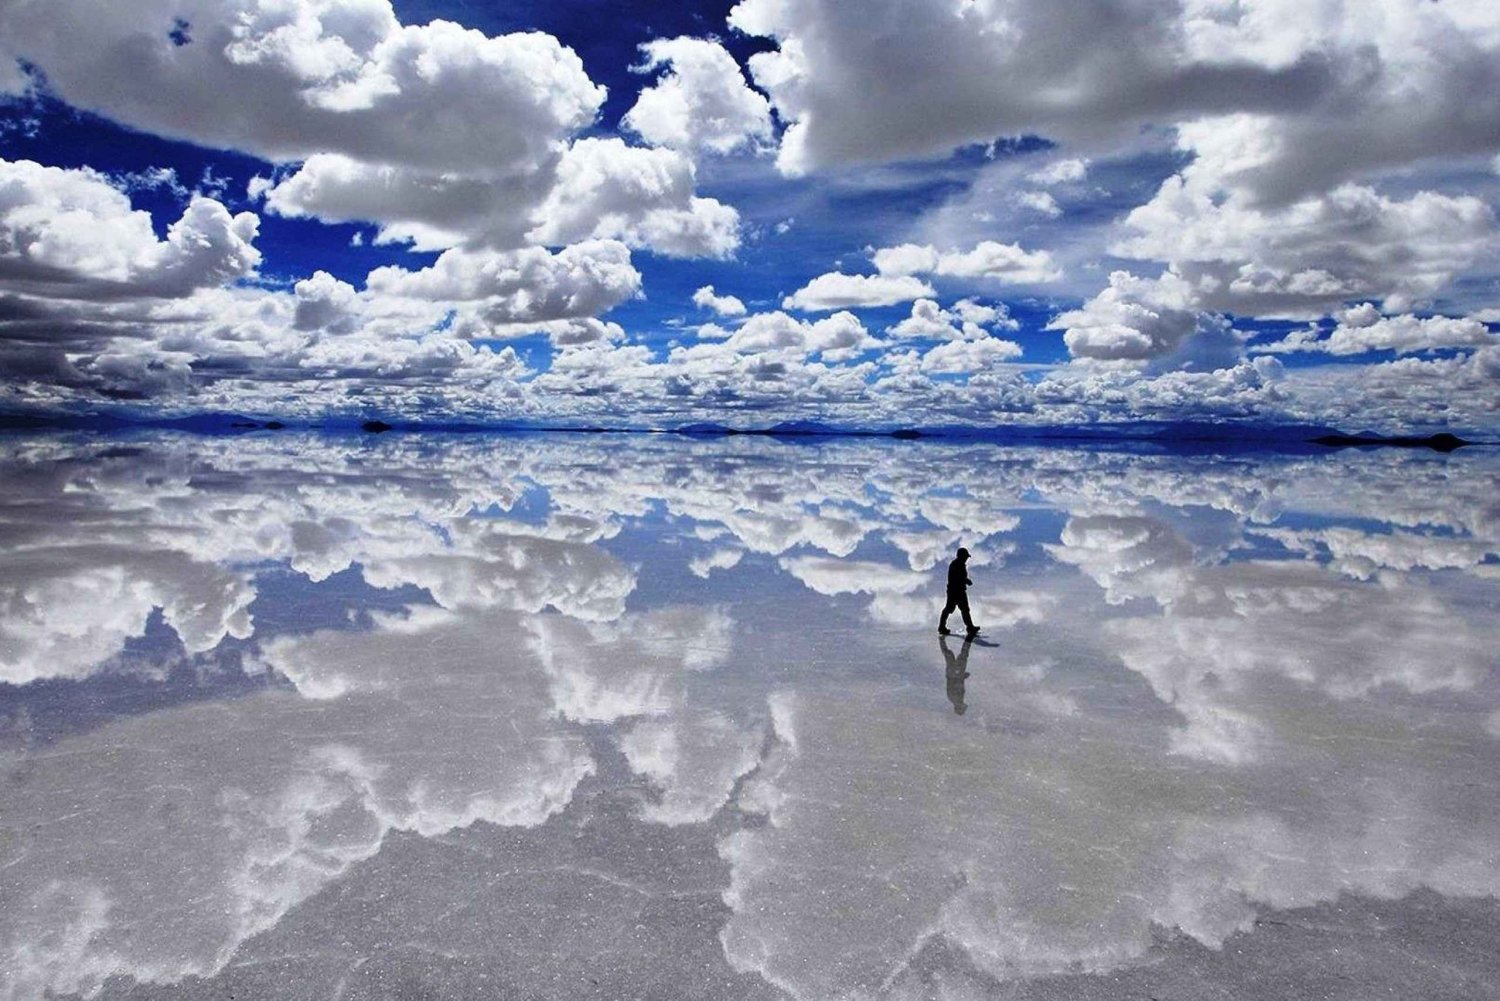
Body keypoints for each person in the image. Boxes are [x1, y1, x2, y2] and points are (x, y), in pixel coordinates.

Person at [939, 546, 979, 637]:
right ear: (961, 556)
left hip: (959, 591)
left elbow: (960, 577)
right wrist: (966, 581)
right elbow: (958, 578)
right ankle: (942, 627)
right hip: (955, 592)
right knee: (949, 609)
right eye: (965, 557)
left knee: (965, 609)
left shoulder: (959, 564)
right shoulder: (956, 565)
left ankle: (970, 627)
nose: (966, 559)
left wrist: (966, 580)